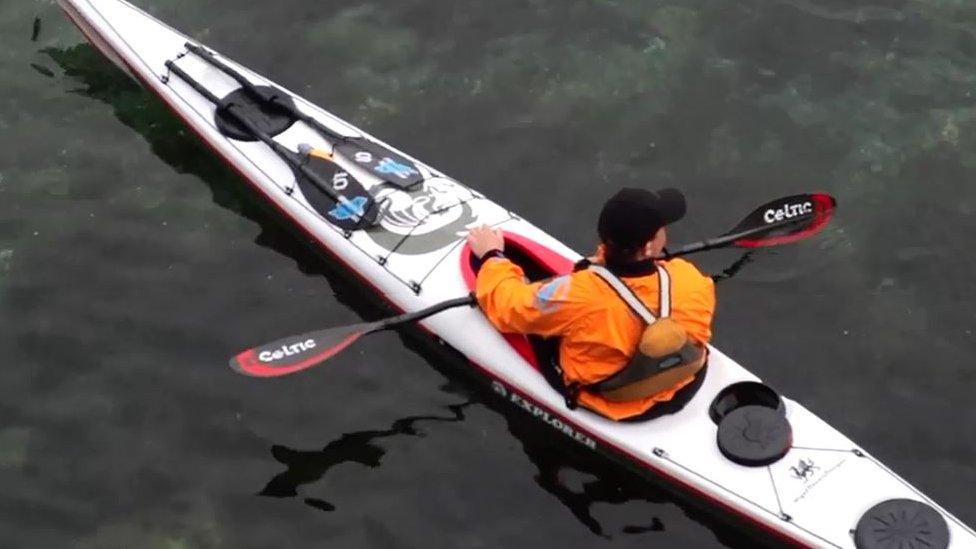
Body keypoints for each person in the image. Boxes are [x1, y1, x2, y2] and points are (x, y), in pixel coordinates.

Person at [467, 188, 716, 421]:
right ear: (650, 247)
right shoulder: (690, 278)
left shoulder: (576, 295)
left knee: (529, 319)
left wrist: (492, 256)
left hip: (613, 398)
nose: (666, 232)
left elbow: (507, 308)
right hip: (685, 380)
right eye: (662, 228)